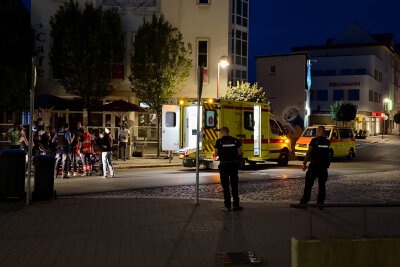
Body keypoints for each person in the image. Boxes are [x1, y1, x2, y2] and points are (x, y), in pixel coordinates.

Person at [299, 125, 331, 206]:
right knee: (322, 185)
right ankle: (320, 202)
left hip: (314, 165)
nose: (316, 132)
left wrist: (304, 163)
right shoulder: (327, 142)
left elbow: (309, 152)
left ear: (320, 131)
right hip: (323, 167)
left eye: (317, 131)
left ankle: (304, 201)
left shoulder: (314, 141)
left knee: (308, 184)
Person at [214, 126, 243, 212]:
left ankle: (227, 206)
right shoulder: (234, 140)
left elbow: (216, 154)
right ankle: (236, 205)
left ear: (223, 132)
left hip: (224, 166)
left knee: (225, 187)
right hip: (233, 165)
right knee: (234, 186)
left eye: (221, 132)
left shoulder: (219, 142)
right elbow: (240, 152)